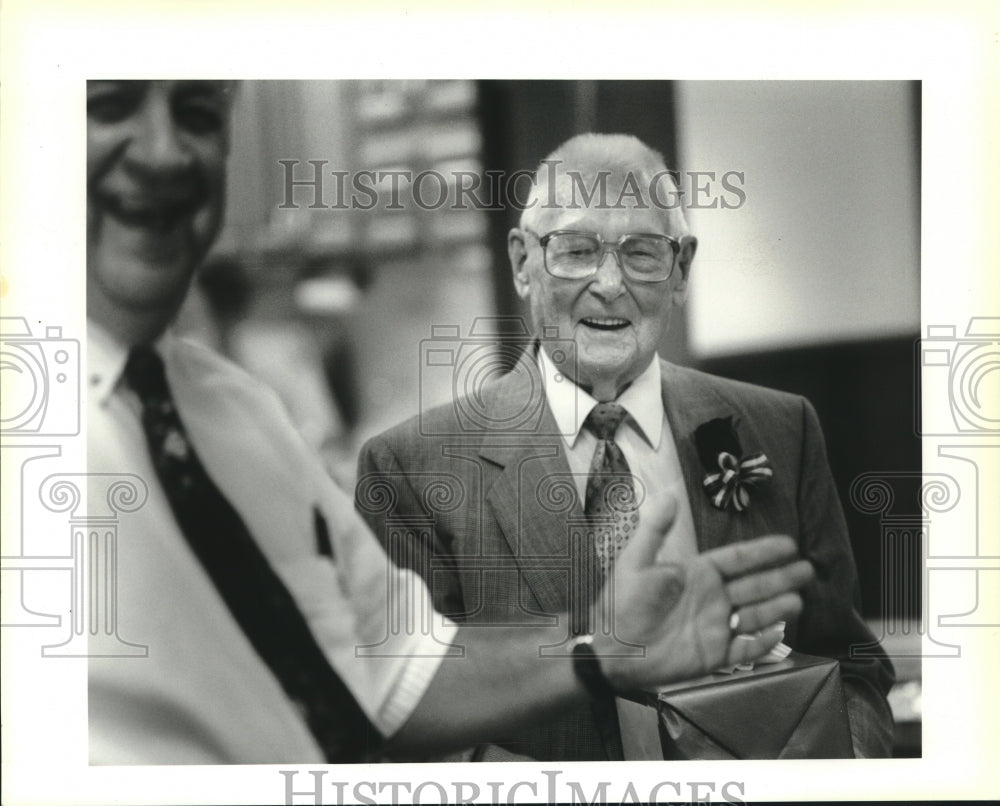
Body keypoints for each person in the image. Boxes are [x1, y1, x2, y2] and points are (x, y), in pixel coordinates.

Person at [85, 81, 812, 764]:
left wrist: (600, 647)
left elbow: (392, 667)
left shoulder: (237, 413)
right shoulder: (409, 463)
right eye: (109, 104)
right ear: (523, 265)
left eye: (200, 114)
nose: (164, 152)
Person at [357, 133, 895, 761]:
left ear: (682, 269)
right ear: (522, 263)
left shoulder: (779, 427)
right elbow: (402, 727)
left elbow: (853, 671)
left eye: (642, 252)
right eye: (577, 250)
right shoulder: (412, 470)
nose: (610, 284)